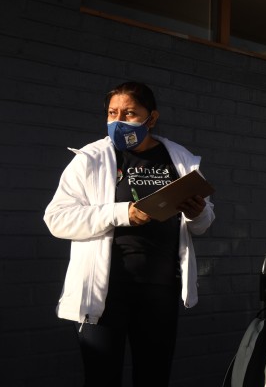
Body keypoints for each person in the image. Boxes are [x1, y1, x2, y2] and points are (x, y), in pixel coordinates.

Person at [44, 81, 215, 387]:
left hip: (160, 291)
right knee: (101, 378)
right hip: (105, 294)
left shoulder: (180, 159)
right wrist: (123, 213)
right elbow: (57, 218)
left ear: (152, 118)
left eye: (130, 113)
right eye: (112, 113)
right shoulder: (90, 158)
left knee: (154, 376)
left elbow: (203, 224)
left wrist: (197, 212)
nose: (118, 121)